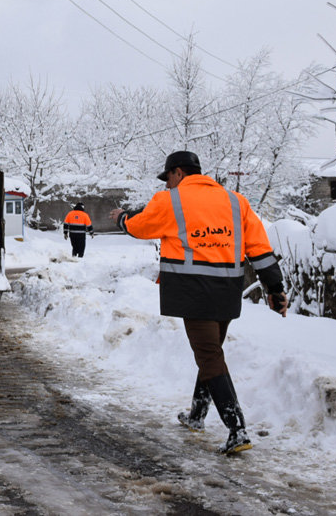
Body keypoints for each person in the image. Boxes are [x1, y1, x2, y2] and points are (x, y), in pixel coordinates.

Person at [108, 150, 288, 455]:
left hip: (194, 290)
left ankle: (237, 429)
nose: (167, 185)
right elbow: (258, 246)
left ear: (178, 173)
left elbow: (140, 227)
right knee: (211, 352)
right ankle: (197, 415)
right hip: (227, 290)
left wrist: (122, 217)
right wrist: (275, 287)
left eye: (168, 178)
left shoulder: (170, 200)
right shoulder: (236, 201)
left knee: (208, 356)